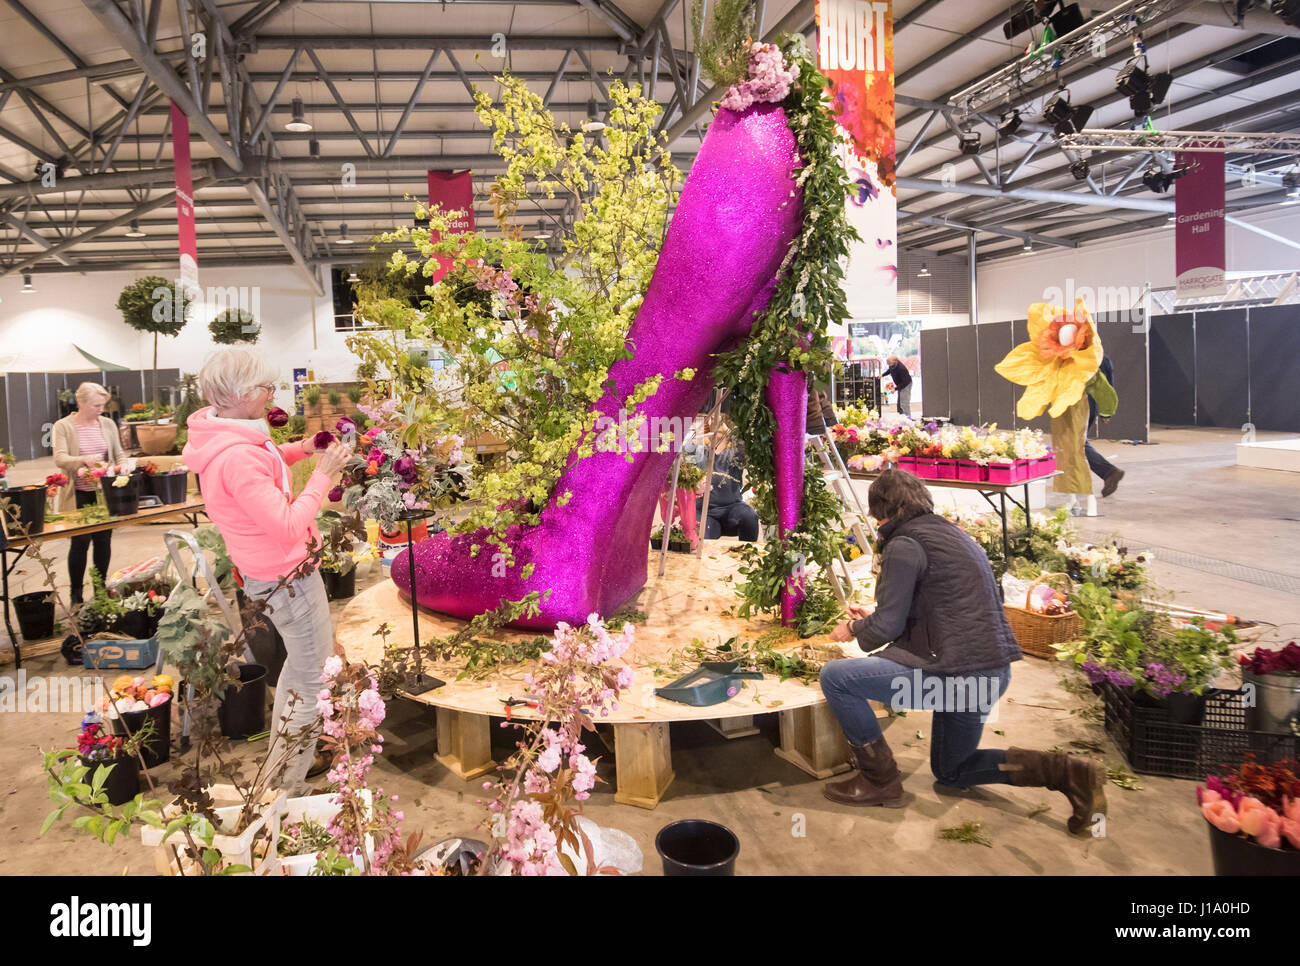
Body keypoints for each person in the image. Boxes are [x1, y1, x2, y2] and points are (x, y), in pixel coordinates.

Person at [819, 470, 1107, 835]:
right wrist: (875, 616)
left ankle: (879, 780)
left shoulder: (904, 543)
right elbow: (943, 605)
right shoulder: (951, 534)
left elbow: (887, 629)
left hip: (956, 679)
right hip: (989, 675)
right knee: (952, 771)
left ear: (881, 512)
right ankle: (1067, 772)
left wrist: (853, 628)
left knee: (838, 678)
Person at [183, 348, 352, 794]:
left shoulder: (226, 436)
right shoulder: (236, 457)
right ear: (240, 394)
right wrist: (324, 476)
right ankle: (288, 788)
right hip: (287, 577)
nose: (272, 396)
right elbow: (287, 525)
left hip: (274, 575)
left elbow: (266, 461)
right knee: (313, 678)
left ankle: (281, 773)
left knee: (300, 672)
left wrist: (301, 449)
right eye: (265, 388)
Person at [52, 382, 126, 603]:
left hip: (105, 494)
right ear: (81, 403)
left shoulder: (107, 424)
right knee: (80, 541)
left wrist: (121, 468)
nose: (101, 409)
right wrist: (82, 460)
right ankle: (76, 594)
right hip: (79, 494)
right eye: (96, 405)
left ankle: (100, 591)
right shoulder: (63, 426)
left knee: (104, 540)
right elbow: (60, 458)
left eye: (102, 405)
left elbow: (119, 454)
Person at [694, 418, 759, 542]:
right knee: (704, 533)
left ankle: (747, 558)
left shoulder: (736, 453)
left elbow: (747, 445)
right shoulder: (700, 451)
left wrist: (725, 427)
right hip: (704, 511)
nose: (714, 419)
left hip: (733, 508)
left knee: (749, 517)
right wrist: (699, 433)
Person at [1086, 355, 1124, 497]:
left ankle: (1109, 472)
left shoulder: (1083, 357)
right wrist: (1106, 412)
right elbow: (1109, 387)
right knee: (1075, 443)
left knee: (1075, 443)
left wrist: (1106, 411)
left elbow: (1106, 387)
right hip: (1090, 406)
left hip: (1081, 405)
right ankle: (1108, 472)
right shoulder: (1103, 358)